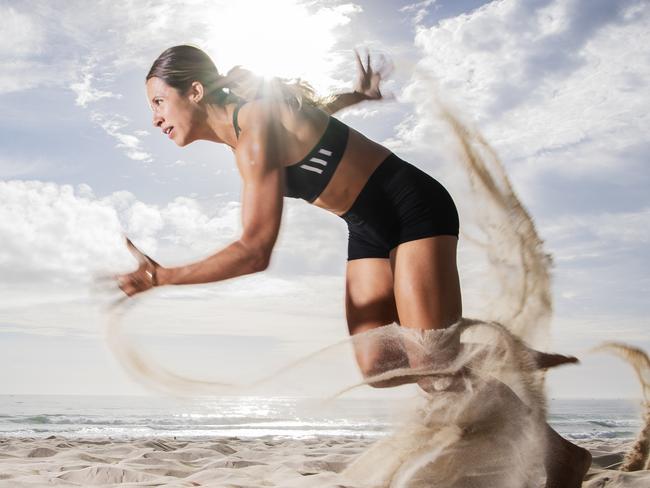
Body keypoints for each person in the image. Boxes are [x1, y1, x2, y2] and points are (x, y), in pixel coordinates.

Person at [116, 45, 590, 486]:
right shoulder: (248, 125)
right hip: (365, 225)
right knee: (377, 364)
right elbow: (310, 114)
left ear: (194, 92)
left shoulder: (253, 130)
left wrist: (164, 276)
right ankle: (492, 354)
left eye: (159, 102)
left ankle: (562, 456)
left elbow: (256, 250)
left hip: (412, 208)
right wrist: (357, 96)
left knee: (435, 368)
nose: (155, 118)